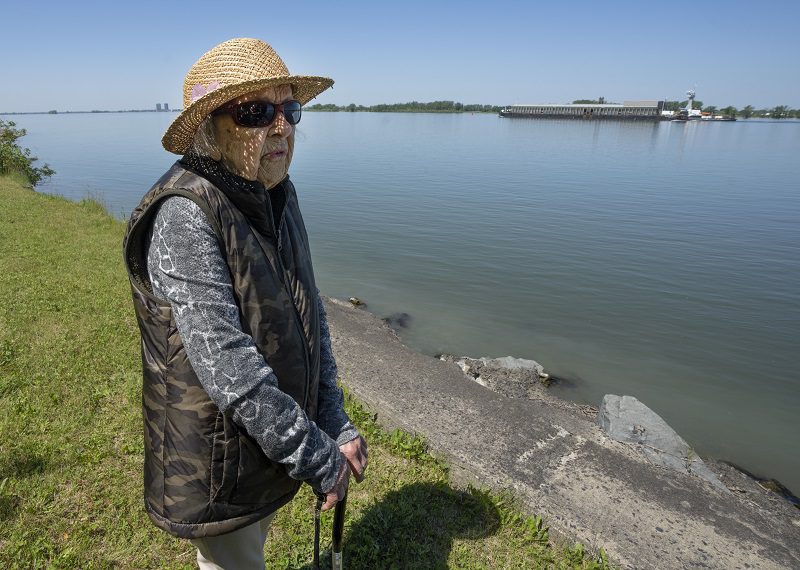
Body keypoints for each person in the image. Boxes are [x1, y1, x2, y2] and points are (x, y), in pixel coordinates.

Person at [123, 38, 368, 569]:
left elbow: (311, 315)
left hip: (268, 439)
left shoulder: (276, 193)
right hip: (216, 458)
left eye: (290, 109)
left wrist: (334, 419)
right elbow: (228, 368)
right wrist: (314, 453)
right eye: (256, 112)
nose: (280, 127)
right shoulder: (184, 214)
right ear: (211, 127)